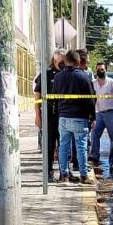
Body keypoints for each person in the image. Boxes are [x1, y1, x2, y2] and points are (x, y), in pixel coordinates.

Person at [53, 49, 96, 184]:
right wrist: (93, 117)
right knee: (81, 147)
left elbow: (54, 97)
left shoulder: (58, 77)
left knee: (63, 147)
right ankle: (83, 176)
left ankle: (64, 175)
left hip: (63, 117)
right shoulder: (84, 77)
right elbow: (90, 99)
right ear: (78, 61)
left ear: (65, 61)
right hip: (79, 117)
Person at [34, 48, 66, 182]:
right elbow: (37, 94)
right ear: (54, 60)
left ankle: (64, 173)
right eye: (61, 61)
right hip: (50, 114)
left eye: (65, 61)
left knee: (64, 145)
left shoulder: (68, 74)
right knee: (49, 145)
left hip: (64, 114)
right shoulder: (46, 74)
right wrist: (38, 115)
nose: (63, 64)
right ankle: (48, 172)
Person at [90, 62, 113, 178]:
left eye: (102, 69)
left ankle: (112, 161)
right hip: (98, 113)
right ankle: (94, 156)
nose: (100, 71)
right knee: (94, 135)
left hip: (111, 113)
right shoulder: (93, 83)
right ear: (96, 70)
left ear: (106, 70)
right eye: (99, 69)